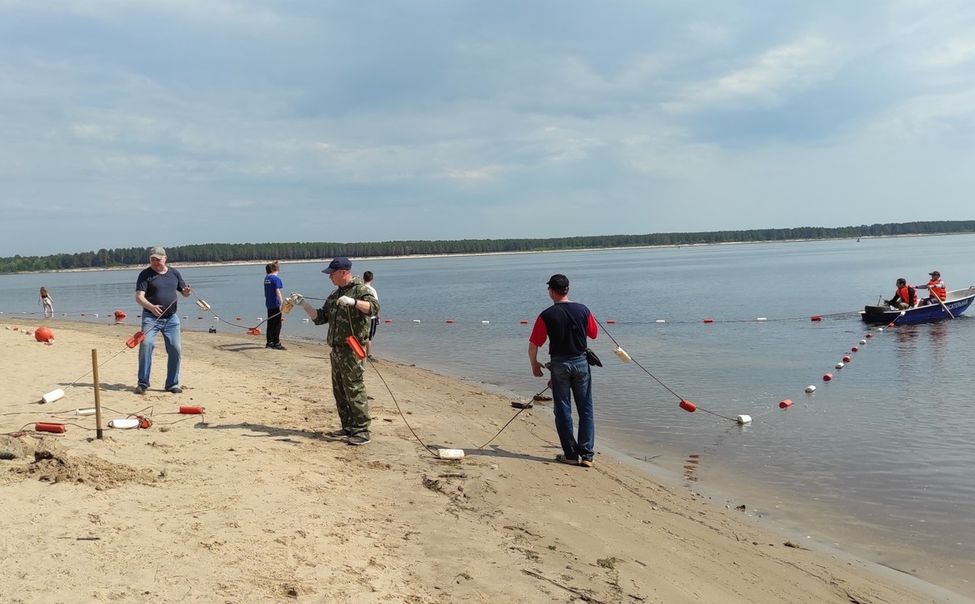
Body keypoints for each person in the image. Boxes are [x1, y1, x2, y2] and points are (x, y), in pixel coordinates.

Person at [295, 257, 379, 446]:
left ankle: (362, 431)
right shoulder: (335, 295)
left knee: (354, 389)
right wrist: (304, 304)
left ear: (343, 272)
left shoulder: (361, 290)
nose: (330, 277)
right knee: (339, 390)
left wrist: (353, 302)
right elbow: (320, 317)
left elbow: (374, 308)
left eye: (332, 274)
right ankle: (347, 427)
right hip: (337, 350)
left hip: (353, 349)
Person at [528, 274, 598, 468]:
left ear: (551, 291)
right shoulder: (583, 309)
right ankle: (587, 455)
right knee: (585, 408)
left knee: (563, 409)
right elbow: (594, 334)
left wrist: (534, 364)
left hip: (559, 364)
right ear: (568, 289)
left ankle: (571, 454)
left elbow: (533, 345)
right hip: (581, 362)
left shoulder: (546, 315)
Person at [134, 247, 191, 394]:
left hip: (171, 318)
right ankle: (142, 383)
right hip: (150, 317)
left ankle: (172, 384)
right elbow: (139, 297)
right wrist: (151, 307)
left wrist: (186, 292)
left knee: (175, 348)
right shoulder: (145, 274)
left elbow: (184, 292)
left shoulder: (174, 273)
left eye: (158, 259)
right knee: (146, 345)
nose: (155, 262)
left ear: (165, 258)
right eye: (152, 259)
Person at [263, 261, 285, 350]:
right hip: (275, 304)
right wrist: (282, 303)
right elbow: (277, 291)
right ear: (277, 269)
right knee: (277, 324)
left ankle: (269, 342)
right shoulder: (276, 279)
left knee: (270, 323)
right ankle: (276, 343)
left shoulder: (266, 278)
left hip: (269, 303)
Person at [362, 270, 379, 360]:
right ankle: (368, 355)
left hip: (361, 316)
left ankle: (361, 352)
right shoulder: (372, 290)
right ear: (372, 279)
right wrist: (378, 316)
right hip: (371, 317)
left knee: (362, 335)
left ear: (363, 278)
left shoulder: (360, 288)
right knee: (369, 337)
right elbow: (376, 305)